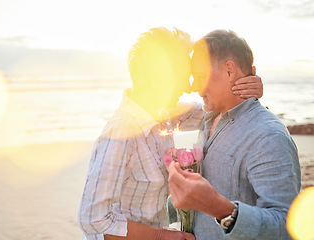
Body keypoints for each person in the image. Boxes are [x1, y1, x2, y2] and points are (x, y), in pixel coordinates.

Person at [77, 27, 263, 240]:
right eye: (184, 76)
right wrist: (160, 235)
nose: (189, 87)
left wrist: (245, 87)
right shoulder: (119, 135)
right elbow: (91, 218)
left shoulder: (164, 117)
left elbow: (213, 108)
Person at [168, 29, 301, 240]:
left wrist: (222, 210)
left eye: (200, 76)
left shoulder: (267, 136)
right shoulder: (207, 117)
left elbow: (287, 227)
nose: (193, 86)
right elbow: (161, 110)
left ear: (229, 71)